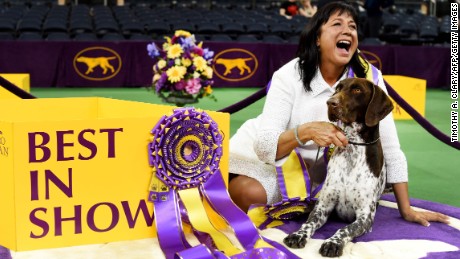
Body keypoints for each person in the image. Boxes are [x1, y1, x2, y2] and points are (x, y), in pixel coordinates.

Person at [228, 2, 449, 227]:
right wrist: (305, 131)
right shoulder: (288, 75)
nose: (347, 30)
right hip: (275, 162)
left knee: (347, 202)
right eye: (337, 24)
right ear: (316, 38)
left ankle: (314, 200)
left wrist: (406, 209)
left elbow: (391, 148)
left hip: (329, 174)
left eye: (352, 26)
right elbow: (265, 146)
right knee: (249, 193)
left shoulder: (370, 77)